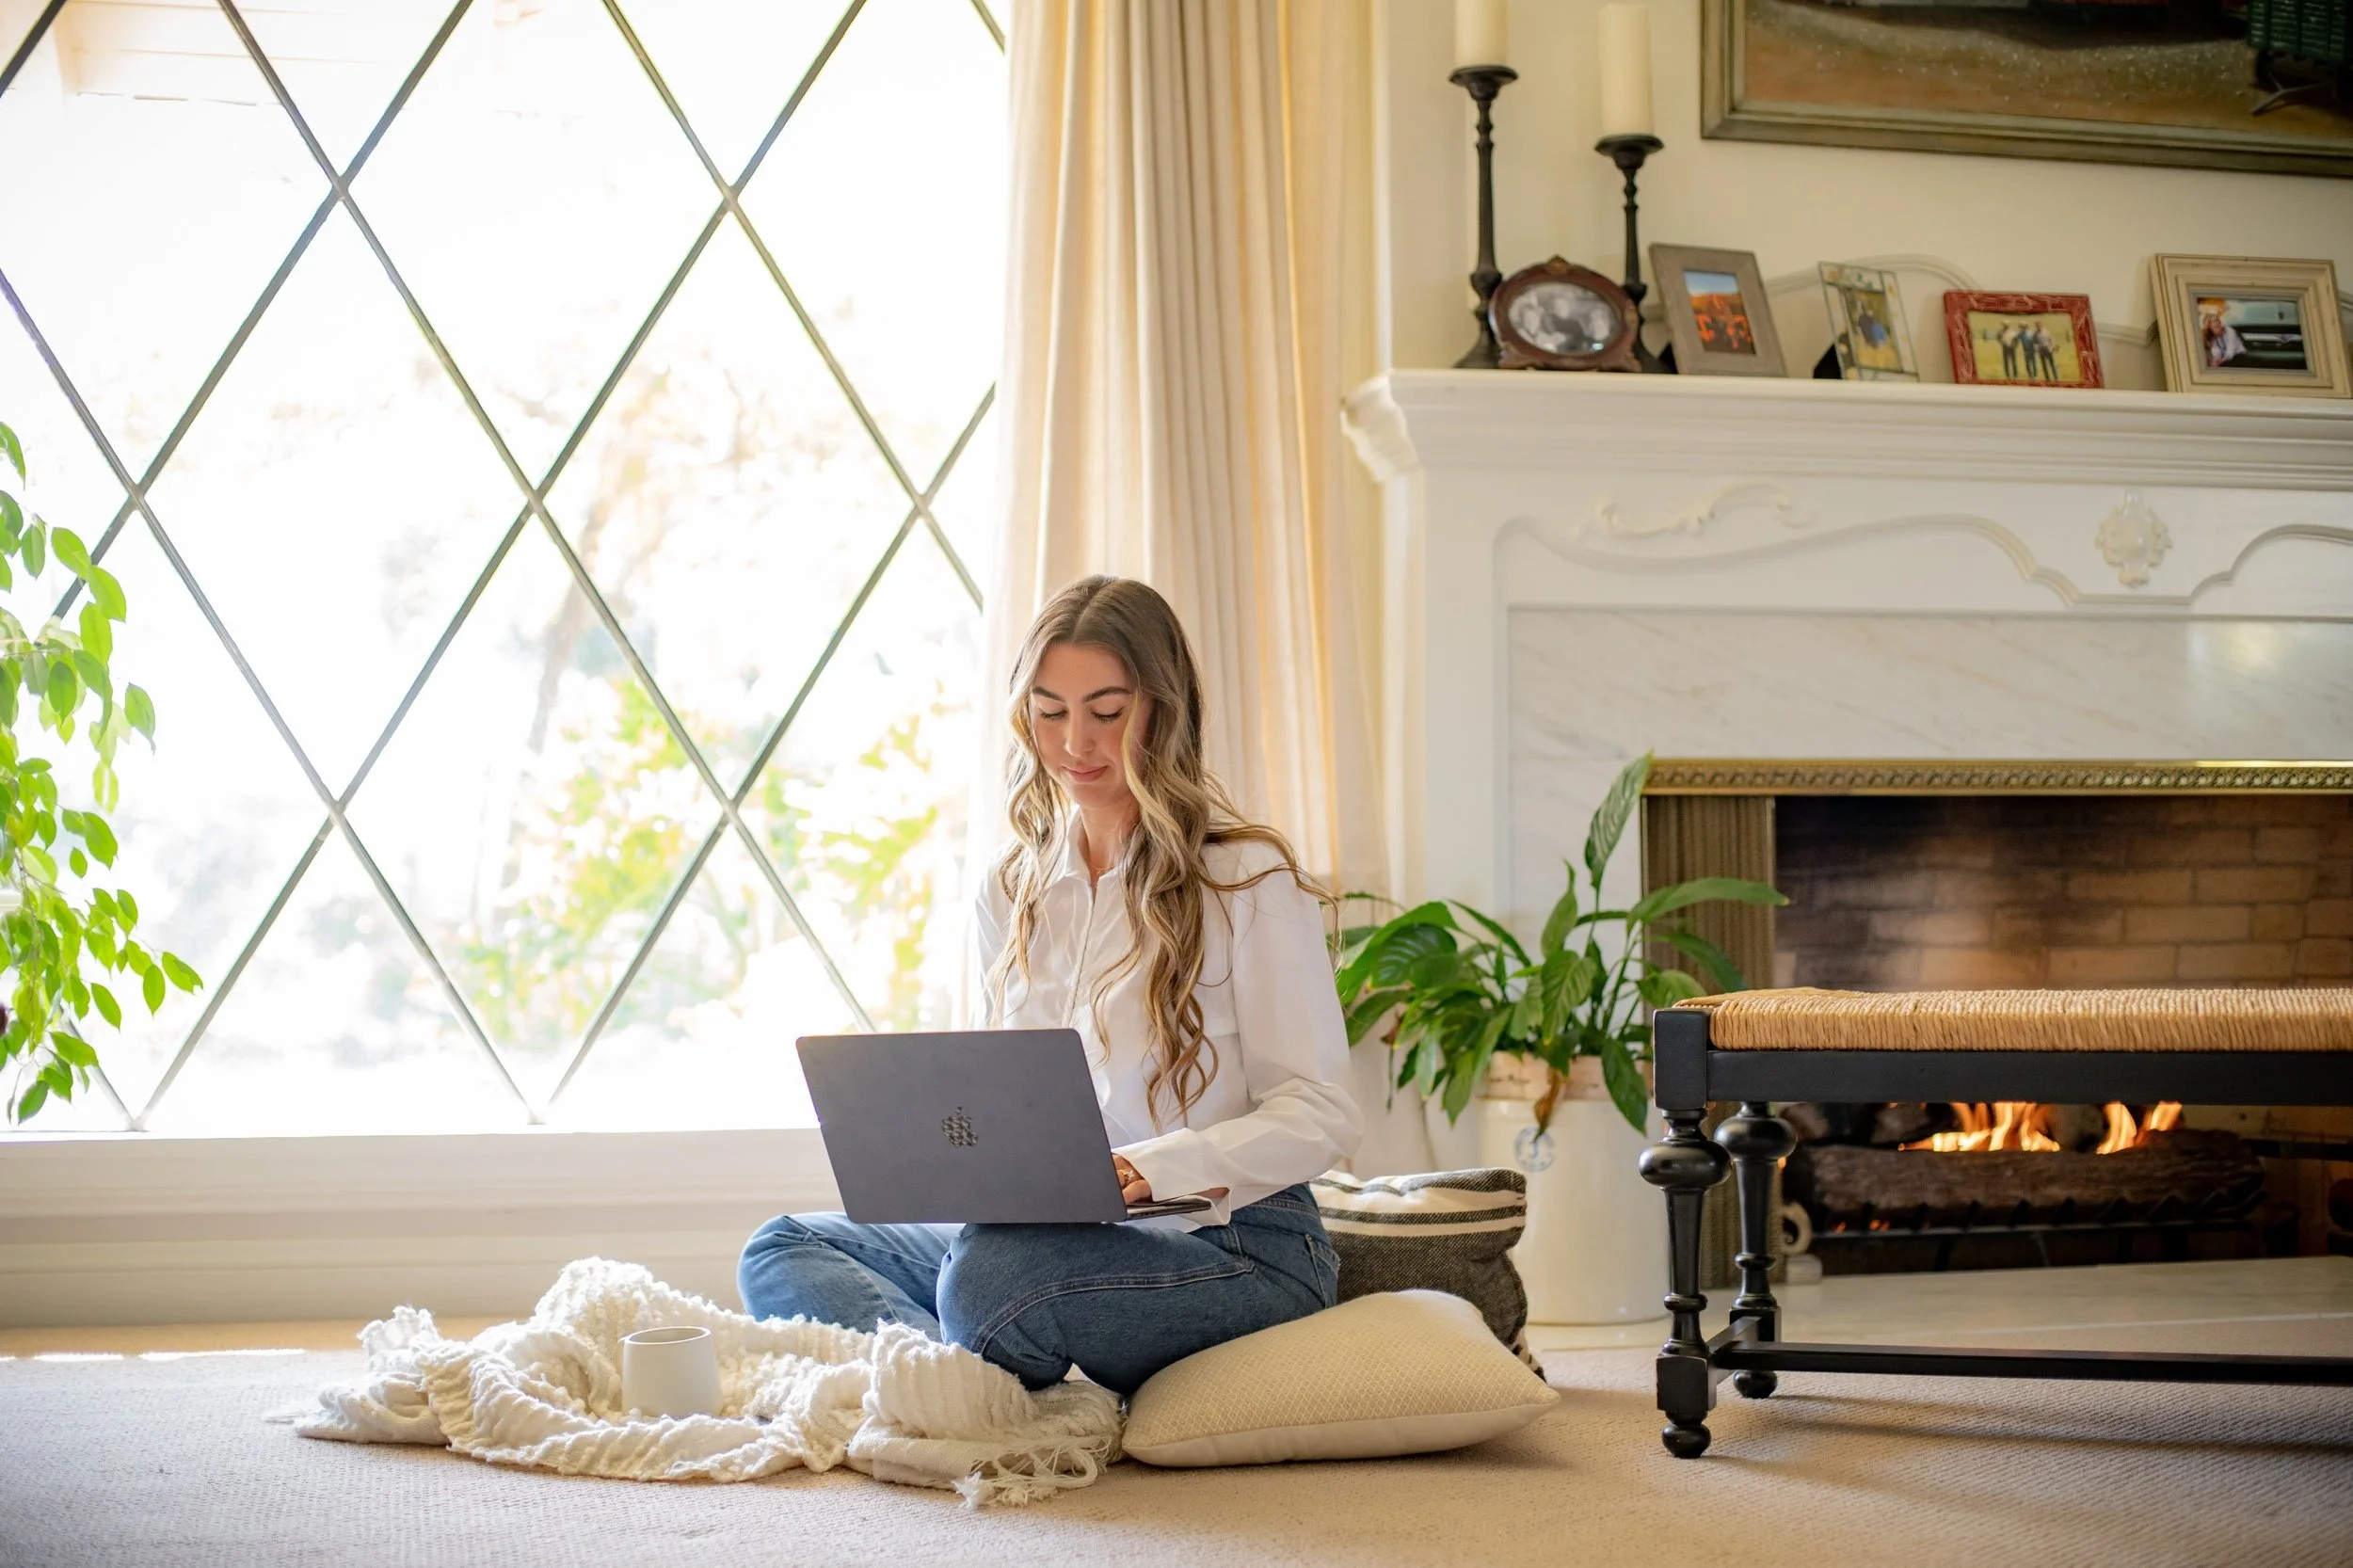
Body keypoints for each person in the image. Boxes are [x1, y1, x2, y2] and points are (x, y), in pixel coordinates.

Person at [737, 576, 1360, 1395]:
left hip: (1242, 1244)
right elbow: (1003, 1103)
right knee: (784, 1248)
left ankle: (947, 1375)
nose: (1075, 743)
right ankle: (959, 1384)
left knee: (993, 1280)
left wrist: (1151, 1169)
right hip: (1059, 1236)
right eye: (1049, 710)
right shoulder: (1012, 887)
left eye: (1107, 711)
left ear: (1163, 710)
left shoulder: (1243, 878)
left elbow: (1322, 1112)